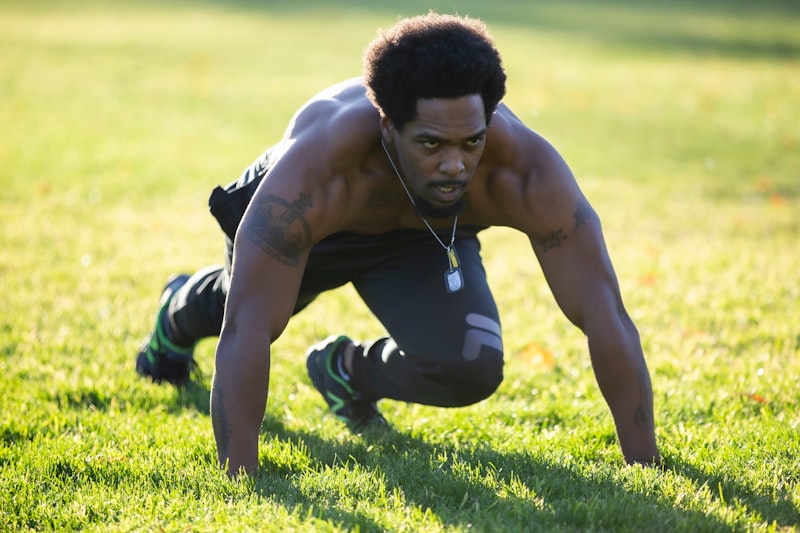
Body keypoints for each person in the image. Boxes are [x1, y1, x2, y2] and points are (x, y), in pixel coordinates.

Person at [136, 12, 661, 475]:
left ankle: (343, 372)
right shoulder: (314, 176)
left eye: (471, 141)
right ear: (388, 127)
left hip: (421, 238)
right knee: (236, 303)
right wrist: (240, 481)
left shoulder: (523, 171)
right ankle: (177, 313)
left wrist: (645, 466)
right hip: (324, 230)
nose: (455, 164)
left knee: (470, 366)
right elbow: (247, 327)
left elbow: (603, 311)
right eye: (431, 143)